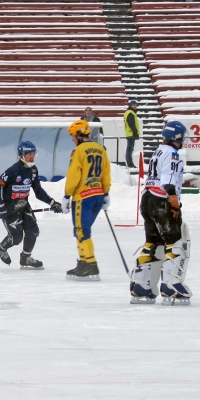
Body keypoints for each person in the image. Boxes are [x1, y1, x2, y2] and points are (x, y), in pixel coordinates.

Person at [131, 121, 191, 305]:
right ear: (177, 138)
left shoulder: (158, 151)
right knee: (176, 242)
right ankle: (171, 285)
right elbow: (168, 180)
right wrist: (173, 199)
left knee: (152, 243)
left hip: (147, 199)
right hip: (162, 201)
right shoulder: (173, 154)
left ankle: (141, 285)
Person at [0, 141, 63, 269]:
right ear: (21, 155)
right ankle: (1, 248)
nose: (32, 156)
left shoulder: (33, 170)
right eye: (29, 154)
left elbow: (38, 191)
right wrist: (1, 205)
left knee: (33, 232)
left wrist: (52, 203)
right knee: (16, 238)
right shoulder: (14, 170)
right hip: (10, 210)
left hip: (24, 207)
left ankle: (25, 258)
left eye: (33, 153)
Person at [61, 119, 111, 281]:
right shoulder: (100, 149)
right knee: (82, 230)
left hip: (83, 197)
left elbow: (74, 175)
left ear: (80, 134)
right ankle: (83, 261)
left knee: (82, 231)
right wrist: (106, 193)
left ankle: (91, 264)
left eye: (73, 135)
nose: (72, 139)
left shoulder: (78, 151)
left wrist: (67, 195)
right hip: (97, 195)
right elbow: (106, 173)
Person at [124, 99, 141, 168]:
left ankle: (130, 163)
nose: (135, 106)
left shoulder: (130, 112)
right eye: (134, 105)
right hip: (131, 133)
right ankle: (130, 164)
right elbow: (131, 123)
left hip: (130, 133)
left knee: (130, 149)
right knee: (130, 149)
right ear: (131, 105)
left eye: (136, 105)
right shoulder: (130, 113)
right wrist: (135, 131)